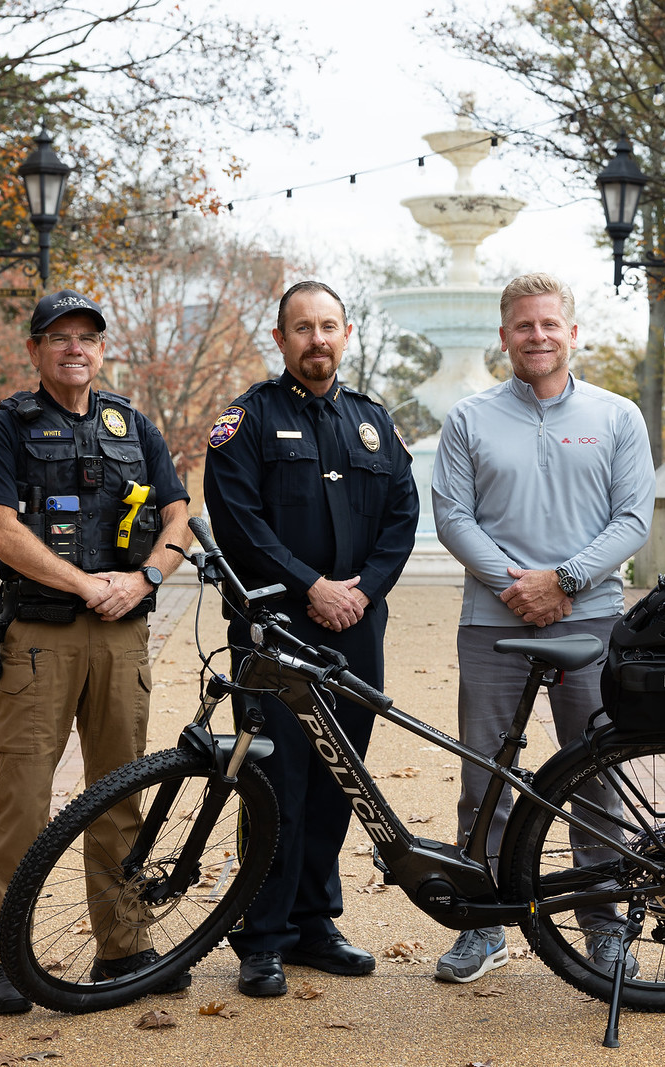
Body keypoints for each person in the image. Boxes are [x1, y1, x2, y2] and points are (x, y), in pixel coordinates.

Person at [0, 288, 193, 1014]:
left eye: (86, 337)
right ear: (35, 350)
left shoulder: (133, 425)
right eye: (58, 337)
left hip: (123, 635)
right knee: (24, 799)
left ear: (100, 349)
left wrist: (147, 577)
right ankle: (3, 957)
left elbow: (179, 514)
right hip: (41, 637)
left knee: (120, 792)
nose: (74, 348)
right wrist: (86, 584)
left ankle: (123, 945)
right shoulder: (5, 429)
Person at [430, 272, 656, 984]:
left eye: (549, 324)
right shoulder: (469, 418)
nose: (538, 336)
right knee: (485, 776)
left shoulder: (617, 416)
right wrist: (518, 587)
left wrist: (564, 580)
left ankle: (603, 926)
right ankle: (483, 924)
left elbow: (633, 519)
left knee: (595, 774)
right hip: (491, 623)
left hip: (590, 620)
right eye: (524, 326)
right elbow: (453, 517)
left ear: (572, 333)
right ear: (504, 337)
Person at [203, 280, 419, 998]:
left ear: (346, 335)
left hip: (357, 626)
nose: (317, 339)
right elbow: (239, 523)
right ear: (281, 339)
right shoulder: (248, 419)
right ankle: (261, 935)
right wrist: (312, 587)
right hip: (277, 629)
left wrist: (362, 590)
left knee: (338, 777)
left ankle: (314, 922)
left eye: (328, 326)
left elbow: (403, 514)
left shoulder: (372, 421)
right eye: (303, 328)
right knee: (274, 781)